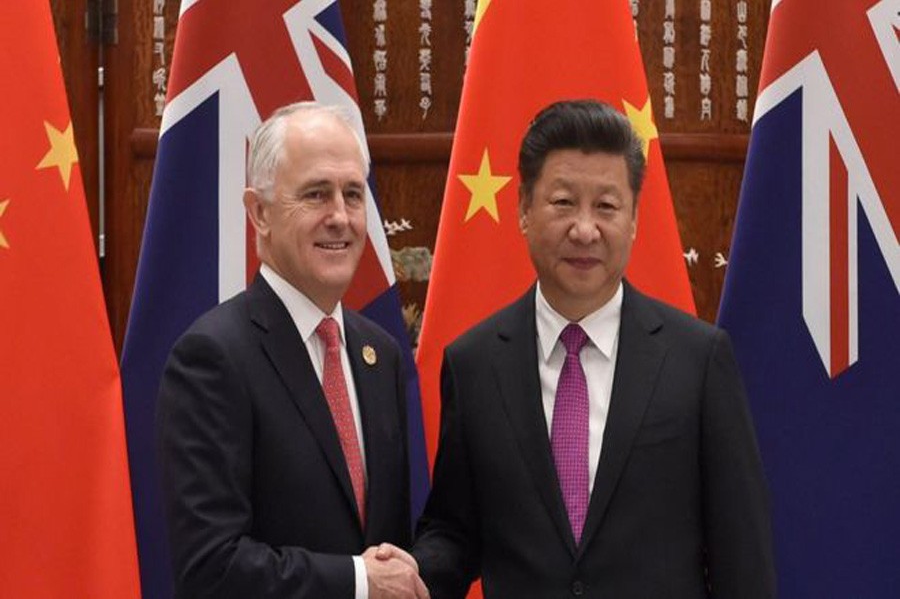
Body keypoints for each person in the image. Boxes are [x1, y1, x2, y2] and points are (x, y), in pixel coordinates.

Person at [410, 100, 776, 598]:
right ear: (523, 209)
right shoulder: (474, 364)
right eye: (563, 203)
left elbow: (742, 558)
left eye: (606, 206)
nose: (584, 229)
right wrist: (405, 576)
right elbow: (454, 530)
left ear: (633, 219)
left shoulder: (697, 361)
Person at [156, 102, 428, 599]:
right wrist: (359, 582)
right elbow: (210, 568)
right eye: (316, 195)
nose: (340, 218)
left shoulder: (380, 354)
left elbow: (387, 546)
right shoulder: (212, 358)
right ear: (259, 212)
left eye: (352, 194)